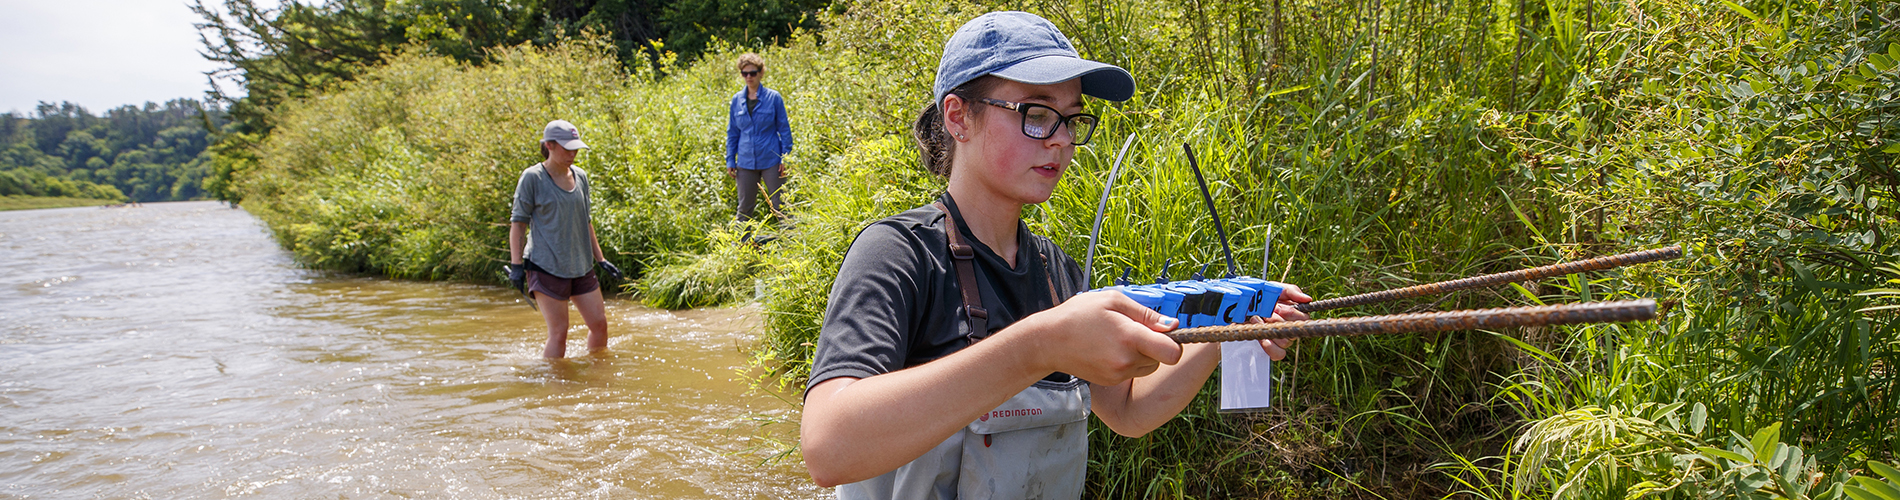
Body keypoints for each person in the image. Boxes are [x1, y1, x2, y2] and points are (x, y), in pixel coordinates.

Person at [799, 11, 1314, 498]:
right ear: (958, 116)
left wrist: (1229, 331)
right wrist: (1039, 347)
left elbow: (1127, 412)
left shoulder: (1054, 271)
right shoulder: (898, 254)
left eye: (1070, 120)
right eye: (1037, 114)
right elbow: (827, 447)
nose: (1062, 140)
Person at [506, 119, 624, 359]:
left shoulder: (580, 176)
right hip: (545, 265)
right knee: (560, 333)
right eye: (567, 148)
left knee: (599, 325)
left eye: (575, 148)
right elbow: (518, 224)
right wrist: (517, 267)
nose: (573, 153)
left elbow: (585, 220)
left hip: (580, 266)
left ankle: (598, 378)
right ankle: (555, 390)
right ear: (549, 145)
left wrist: (600, 259)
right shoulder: (533, 178)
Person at [725, 52, 796, 222]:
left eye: (753, 73)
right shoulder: (737, 100)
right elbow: (733, 132)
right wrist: (730, 160)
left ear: (761, 72)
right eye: (744, 73)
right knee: (744, 208)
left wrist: (785, 158)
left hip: (771, 160)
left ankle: (791, 244)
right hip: (745, 162)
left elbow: (784, 129)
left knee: (781, 204)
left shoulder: (773, 98)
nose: (749, 77)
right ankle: (741, 245)